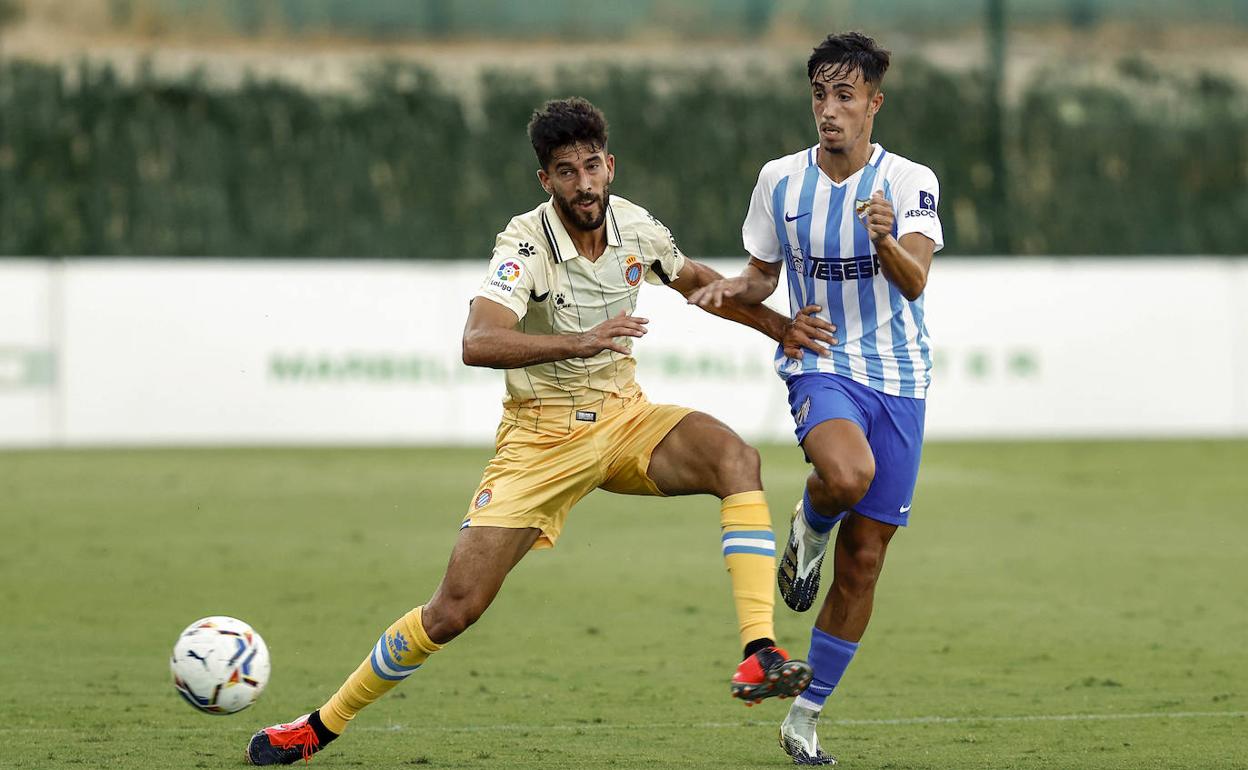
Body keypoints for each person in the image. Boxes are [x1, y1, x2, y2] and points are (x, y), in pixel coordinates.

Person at [244, 96, 829, 766]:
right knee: (453, 610)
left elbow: (699, 282)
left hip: (625, 418)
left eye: (591, 167)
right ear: (545, 181)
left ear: (609, 165)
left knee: (736, 460)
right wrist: (579, 344)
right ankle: (320, 726)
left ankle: (759, 651)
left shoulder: (635, 227)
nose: (583, 184)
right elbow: (477, 340)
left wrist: (785, 329)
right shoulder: (523, 244)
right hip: (540, 442)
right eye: (565, 172)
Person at [689, 32, 944, 765]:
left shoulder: (908, 181)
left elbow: (916, 280)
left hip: (900, 379)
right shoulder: (780, 180)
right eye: (818, 96)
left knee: (864, 561)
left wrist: (885, 239)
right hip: (820, 360)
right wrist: (724, 291)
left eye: (844, 96)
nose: (829, 111)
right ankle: (808, 522)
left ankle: (805, 715)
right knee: (846, 474)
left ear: (873, 104)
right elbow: (763, 277)